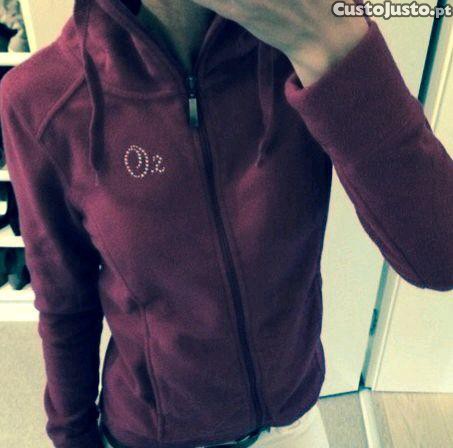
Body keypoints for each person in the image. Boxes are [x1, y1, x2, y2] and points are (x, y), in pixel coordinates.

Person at [0, 0, 451, 447]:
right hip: (155, 436)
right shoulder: (40, 99)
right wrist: (72, 438)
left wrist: (329, 43)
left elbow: (441, 256)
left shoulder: (317, 30)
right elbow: (65, 301)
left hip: (293, 421)